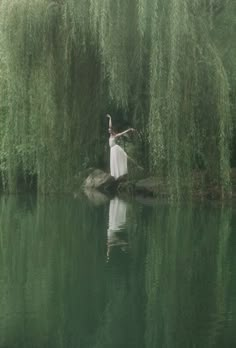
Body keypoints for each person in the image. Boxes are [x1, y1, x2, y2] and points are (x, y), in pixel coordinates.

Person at [106, 114, 135, 179]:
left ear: (111, 131)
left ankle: (119, 174)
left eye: (109, 130)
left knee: (117, 160)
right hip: (112, 149)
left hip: (115, 148)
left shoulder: (115, 135)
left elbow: (122, 133)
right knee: (113, 161)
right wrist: (110, 118)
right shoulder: (110, 135)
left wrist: (129, 129)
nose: (108, 130)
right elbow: (110, 125)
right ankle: (115, 175)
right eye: (108, 130)